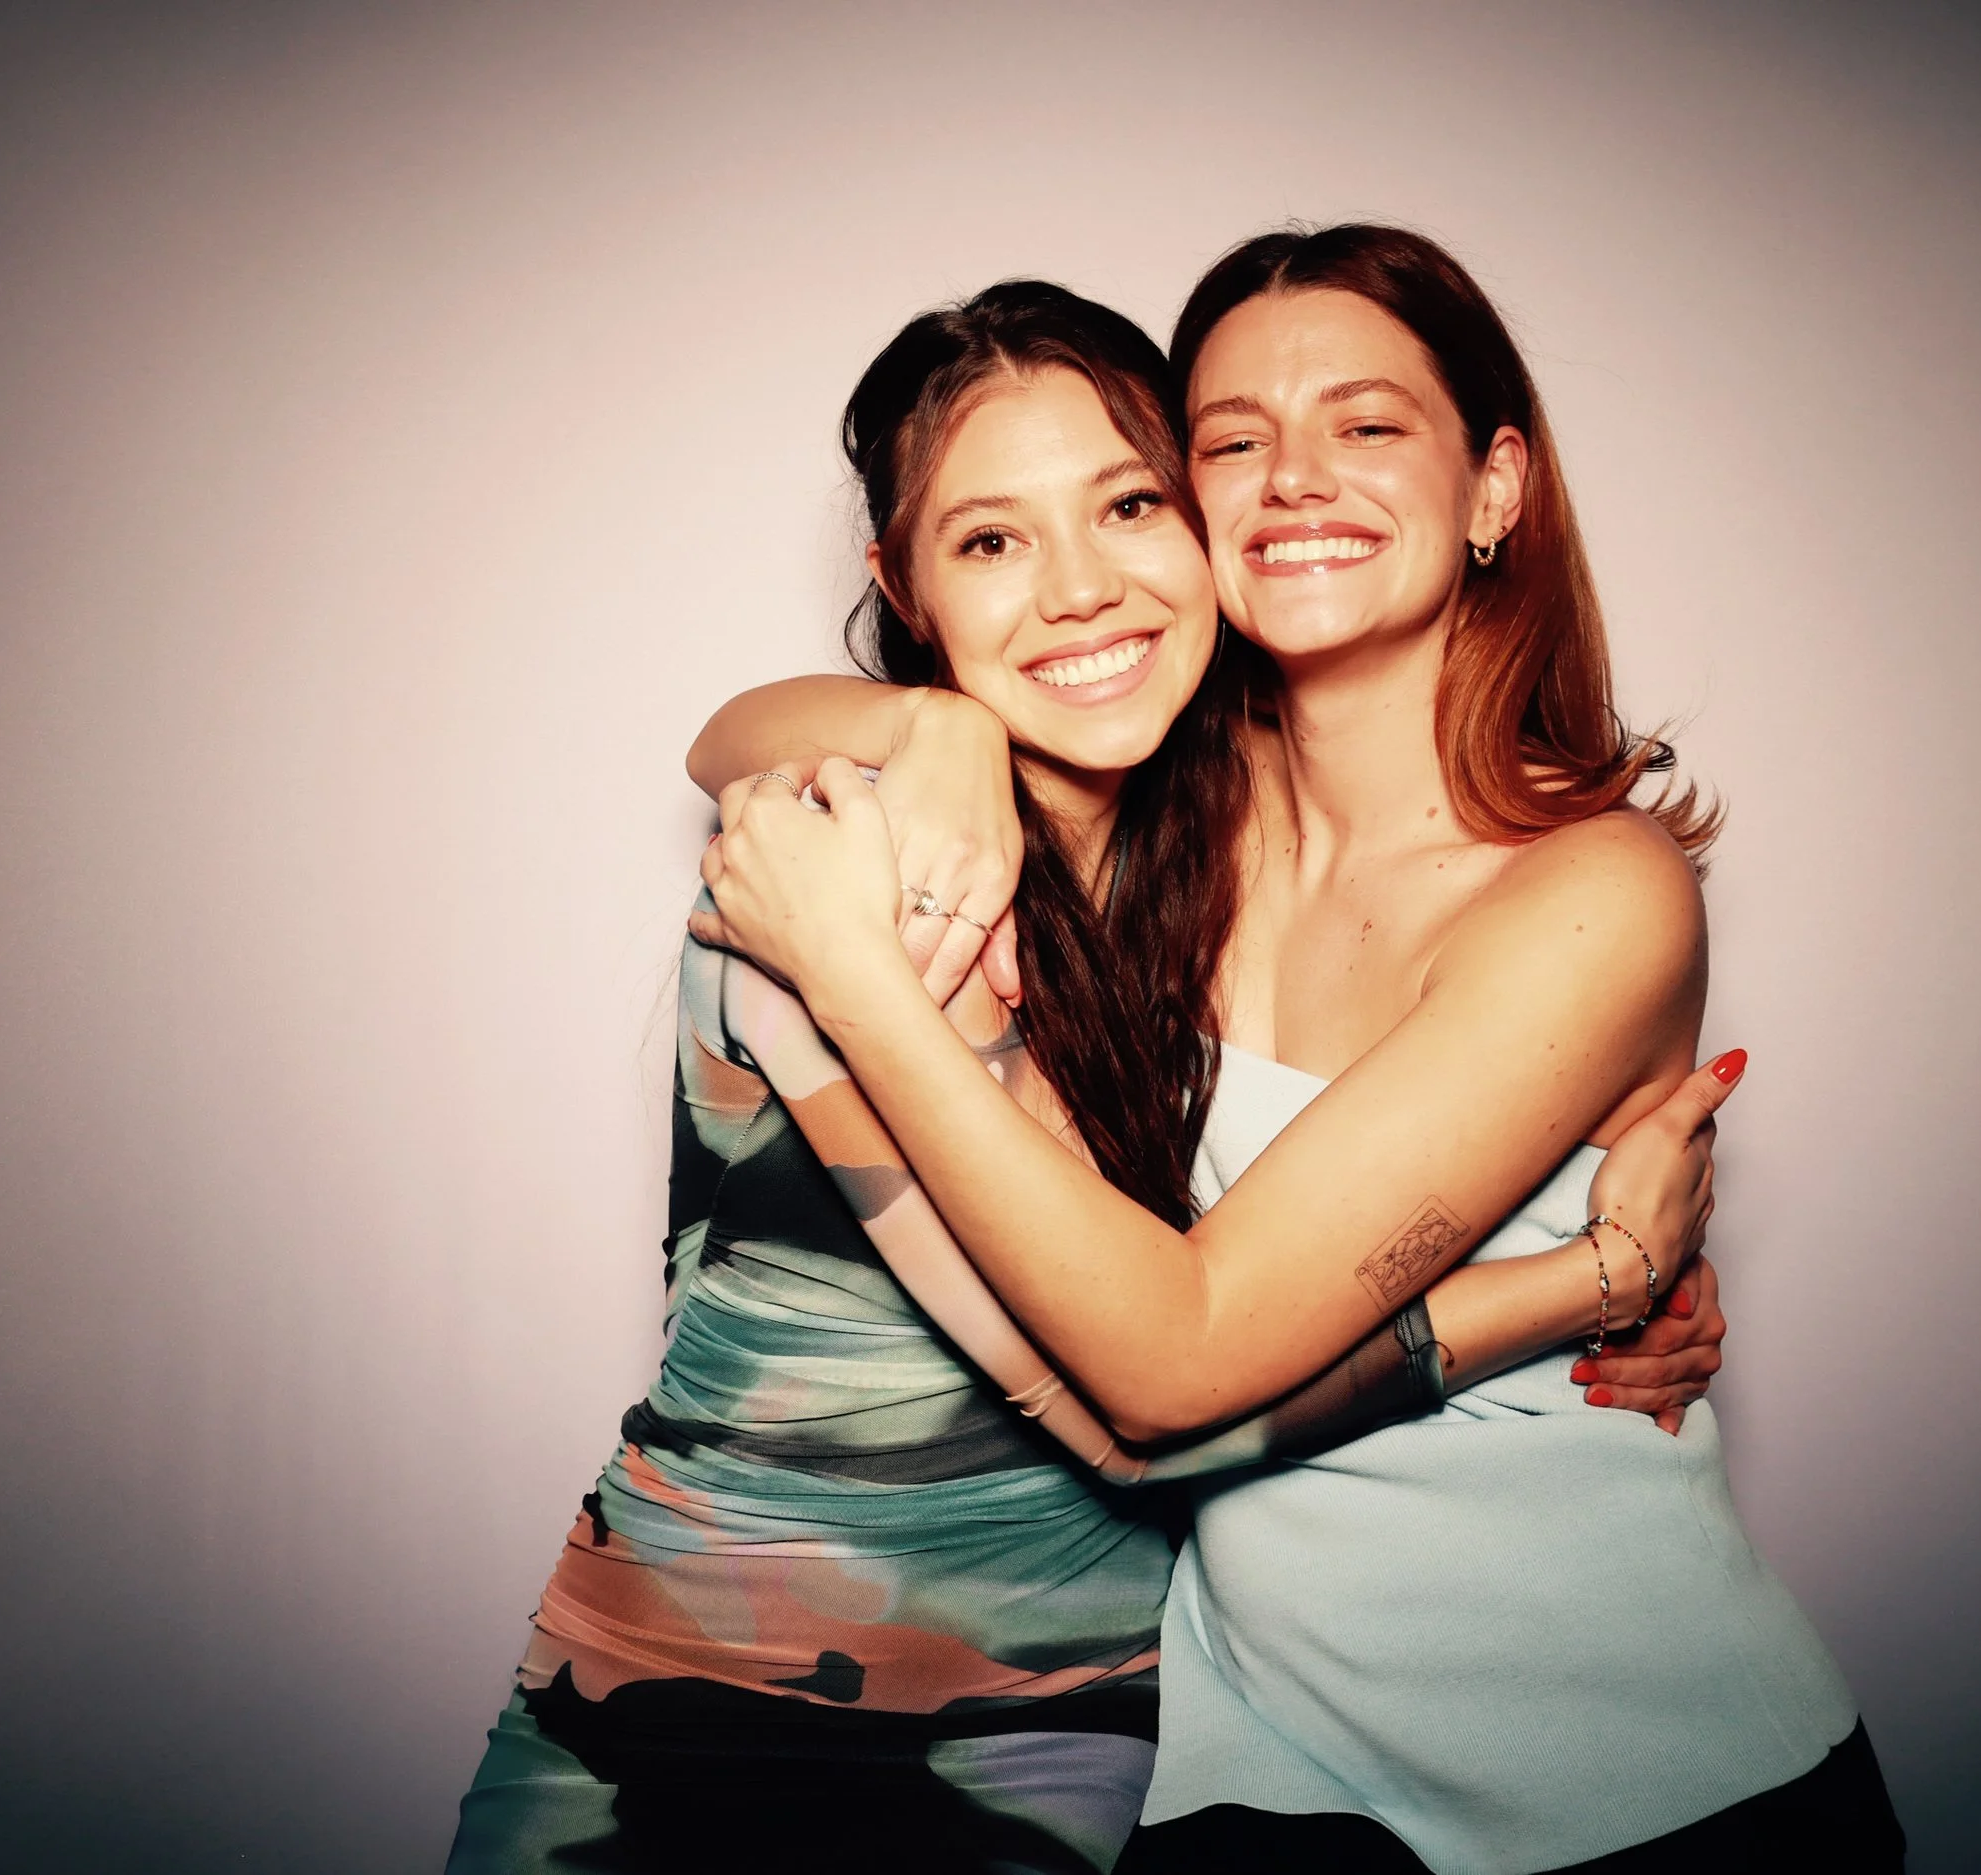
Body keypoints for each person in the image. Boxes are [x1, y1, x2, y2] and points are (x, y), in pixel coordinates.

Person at [447, 280, 1732, 1875]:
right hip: (701, 1723)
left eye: (1129, 504)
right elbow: (1143, 1424)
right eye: (990, 540)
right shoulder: (839, 886)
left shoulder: (1200, 863)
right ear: (903, 586)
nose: (1077, 589)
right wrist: (1590, 1276)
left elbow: (1283, 1222)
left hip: (1069, 1749)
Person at [694, 226, 1903, 1873]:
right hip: (1255, 1767)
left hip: (1638, 1770)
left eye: (1367, 424)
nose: (1294, 478)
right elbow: (734, 738)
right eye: (1233, 442)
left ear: (1496, 488)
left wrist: (1625, 1282)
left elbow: (1177, 1359)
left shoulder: (1593, 892)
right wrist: (936, 725)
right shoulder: (1174, 809)